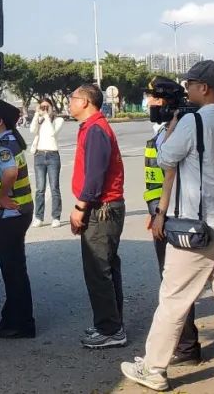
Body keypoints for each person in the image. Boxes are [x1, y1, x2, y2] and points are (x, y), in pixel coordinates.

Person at [121, 61, 214, 394]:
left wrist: (173, 126)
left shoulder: (192, 121)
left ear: (204, 88)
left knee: (173, 299)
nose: (187, 89)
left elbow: (165, 158)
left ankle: (153, 368)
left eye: (191, 84)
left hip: (197, 231)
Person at [142, 76, 202, 365]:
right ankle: (185, 344)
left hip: (172, 218)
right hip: (162, 216)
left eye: (153, 98)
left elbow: (170, 175)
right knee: (173, 283)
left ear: (165, 102)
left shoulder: (175, 131)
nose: (149, 103)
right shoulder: (164, 130)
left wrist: (161, 215)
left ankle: (187, 346)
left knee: (175, 285)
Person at [68, 83, 127, 349]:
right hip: (103, 207)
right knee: (106, 268)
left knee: (98, 270)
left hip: (101, 209)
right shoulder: (92, 128)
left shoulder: (95, 130)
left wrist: (80, 207)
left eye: (73, 98)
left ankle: (111, 330)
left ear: (86, 102)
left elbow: (94, 176)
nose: (69, 102)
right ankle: (110, 322)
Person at [0, 99, 36, 339]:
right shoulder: (11, 141)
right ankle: (10, 317)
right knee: (13, 268)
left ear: (0, 121)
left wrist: (2, 196)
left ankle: (22, 323)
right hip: (18, 213)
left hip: (10, 214)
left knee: (13, 269)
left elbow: (10, 172)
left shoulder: (5, 145)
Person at [30, 98, 66, 228]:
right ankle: (38, 217)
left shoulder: (58, 120)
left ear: (52, 107)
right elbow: (32, 130)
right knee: (40, 189)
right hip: (39, 155)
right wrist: (36, 114)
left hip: (52, 156)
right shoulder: (39, 120)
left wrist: (46, 116)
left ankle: (56, 217)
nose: (44, 109)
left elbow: (52, 133)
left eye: (47, 107)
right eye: (42, 107)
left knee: (54, 187)